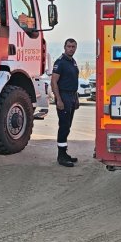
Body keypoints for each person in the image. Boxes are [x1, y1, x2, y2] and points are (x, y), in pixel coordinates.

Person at [51, 38, 80, 167]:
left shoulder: (73, 62)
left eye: (73, 47)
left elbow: (74, 81)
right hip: (63, 96)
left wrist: (76, 98)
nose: (71, 49)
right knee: (63, 127)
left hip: (72, 96)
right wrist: (59, 99)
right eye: (69, 46)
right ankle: (61, 156)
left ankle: (65, 153)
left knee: (67, 126)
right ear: (64, 47)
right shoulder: (60, 62)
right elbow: (54, 82)